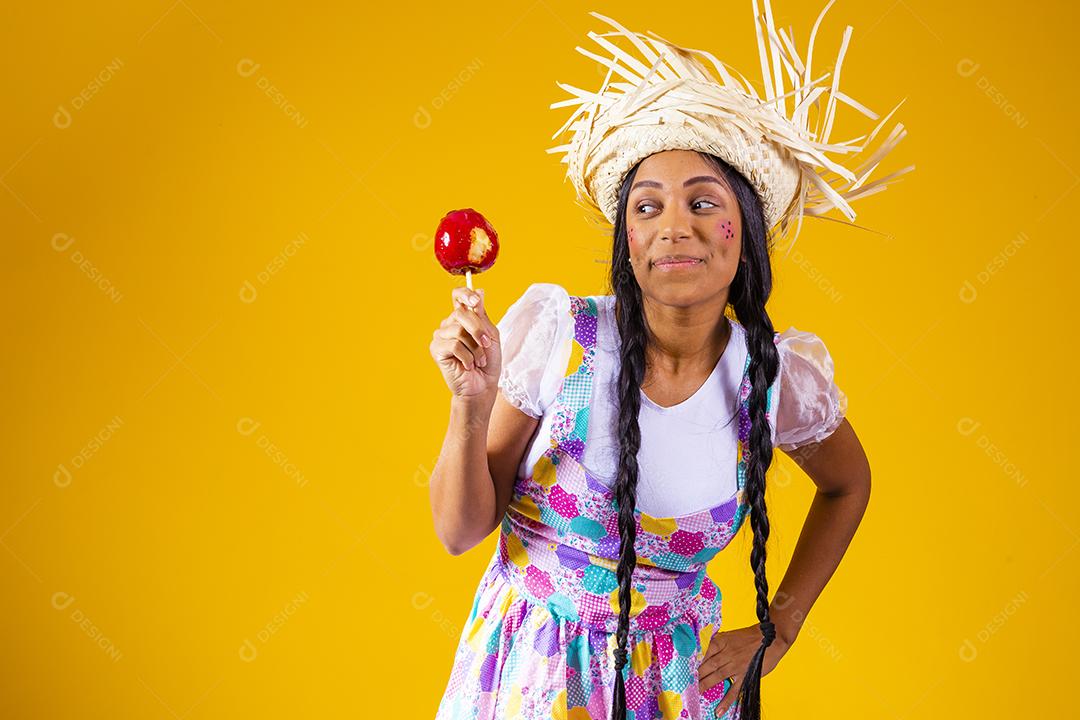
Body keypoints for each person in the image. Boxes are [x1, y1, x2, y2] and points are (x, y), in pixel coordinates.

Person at [428, 3, 909, 719]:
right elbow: (461, 531)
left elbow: (849, 484)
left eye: (702, 201)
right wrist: (471, 404)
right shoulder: (563, 339)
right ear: (627, 241)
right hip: (527, 680)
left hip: (681, 693)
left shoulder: (775, 379)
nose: (674, 226)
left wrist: (782, 626)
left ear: (742, 230)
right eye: (646, 208)